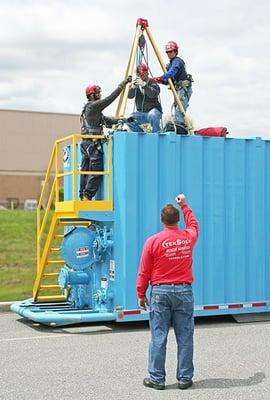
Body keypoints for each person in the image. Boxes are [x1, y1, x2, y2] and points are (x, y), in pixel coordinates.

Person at [137, 194, 199, 390]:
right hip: (184, 291)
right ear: (178, 220)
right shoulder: (188, 238)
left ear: (162, 220)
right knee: (185, 336)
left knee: (158, 336)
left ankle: (157, 379)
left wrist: (140, 294)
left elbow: (144, 271)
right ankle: (184, 378)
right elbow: (194, 225)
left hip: (160, 292)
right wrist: (185, 205)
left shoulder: (153, 241)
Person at [79, 76, 131, 200]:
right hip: (92, 144)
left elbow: (106, 121)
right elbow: (110, 99)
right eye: (98, 93)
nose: (100, 95)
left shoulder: (89, 110)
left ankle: (82, 195)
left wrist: (122, 119)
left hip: (86, 144)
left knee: (85, 171)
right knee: (97, 171)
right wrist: (122, 85)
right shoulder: (93, 106)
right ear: (92, 95)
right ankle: (86, 196)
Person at [156, 41, 193, 135]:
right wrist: (156, 80)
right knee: (178, 111)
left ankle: (180, 133)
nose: (169, 53)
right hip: (178, 90)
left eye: (171, 51)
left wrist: (161, 77)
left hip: (184, 89)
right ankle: (180, 130)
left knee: (179, 112)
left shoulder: (177, 61)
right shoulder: (169, 65)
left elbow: (171, 72)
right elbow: (169, 80)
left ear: (175, 51)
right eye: (167, 52)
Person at [126, 63, 162, 133]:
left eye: (142, 74)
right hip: (141, 113)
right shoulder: (136, 83)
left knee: (153, 115)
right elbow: (130, 96)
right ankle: (141, 134)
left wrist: (144, 85)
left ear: (146, 73)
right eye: (139, 75)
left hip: (153, 111)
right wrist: (132, 88)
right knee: (128, 119)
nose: (141, 76)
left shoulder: (152, 82)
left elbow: (153, 94)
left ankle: (156, 134)